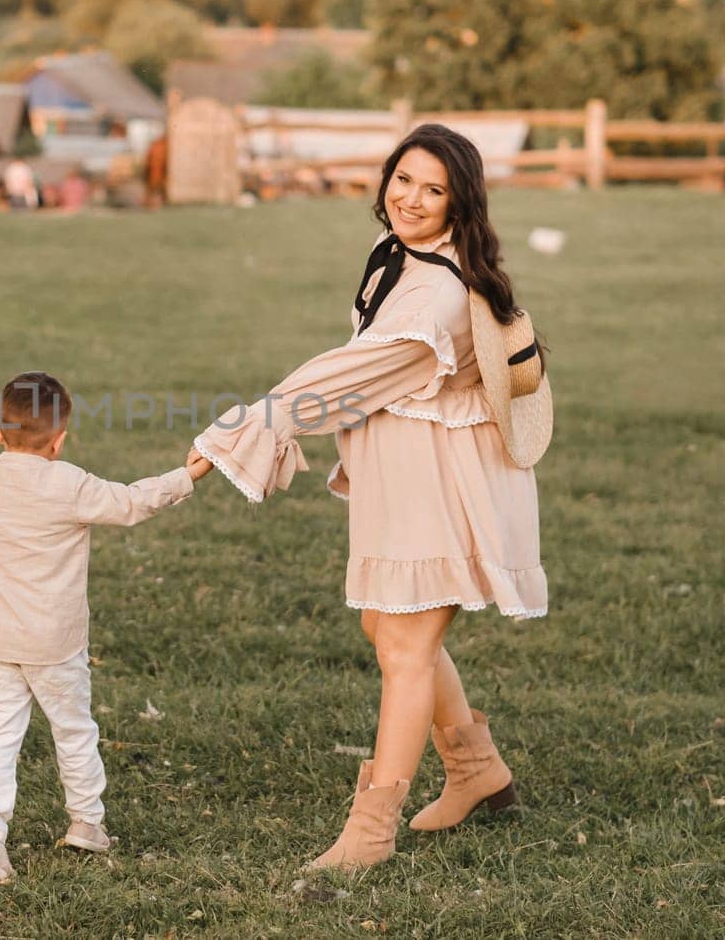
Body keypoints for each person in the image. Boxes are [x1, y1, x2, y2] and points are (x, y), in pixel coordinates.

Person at [188, 124, 552, 871]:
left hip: (448, 484)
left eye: (434, 190)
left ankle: (370, 831)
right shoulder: (401, 255)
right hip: (409, 471)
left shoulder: (440, 296)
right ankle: (478, 772)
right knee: (384, 628)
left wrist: (252, 423)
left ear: (461, 204)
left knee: (406, 647)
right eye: (404, 179)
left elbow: (349, 378)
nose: (412, 199)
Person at [0, 373, 209, 882]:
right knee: (74, 729)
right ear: (59, 440)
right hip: (55, 645)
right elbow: (132, 501)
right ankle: (86, 822)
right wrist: (190, 474)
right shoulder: (71, 485)